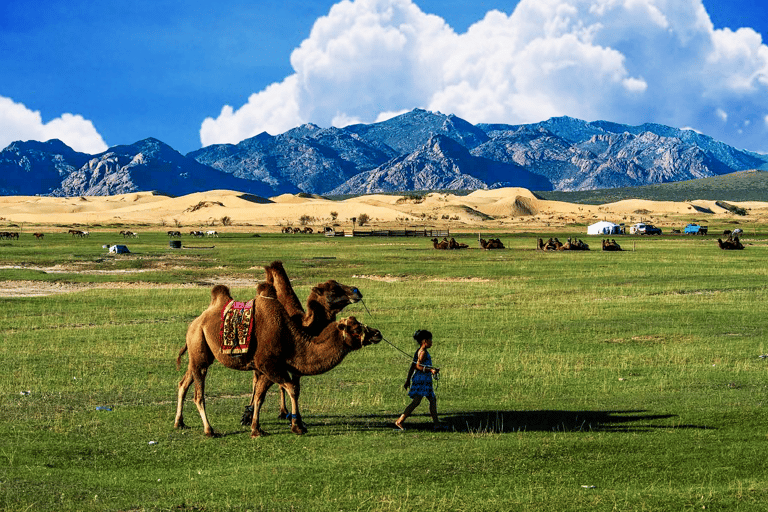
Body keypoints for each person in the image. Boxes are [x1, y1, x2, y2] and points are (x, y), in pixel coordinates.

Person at [395, 329, 440, 430]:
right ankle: (400, 421)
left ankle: (437, 424)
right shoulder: (422, 352)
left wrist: (408, 380)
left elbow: (412, 366)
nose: (432, 342)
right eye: (430, 340)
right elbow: (417, 366)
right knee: (416, 402)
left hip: (423, 380)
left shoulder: (419, 351)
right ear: (424, 341)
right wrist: (431, 370)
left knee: (432, 400)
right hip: (422, 380)